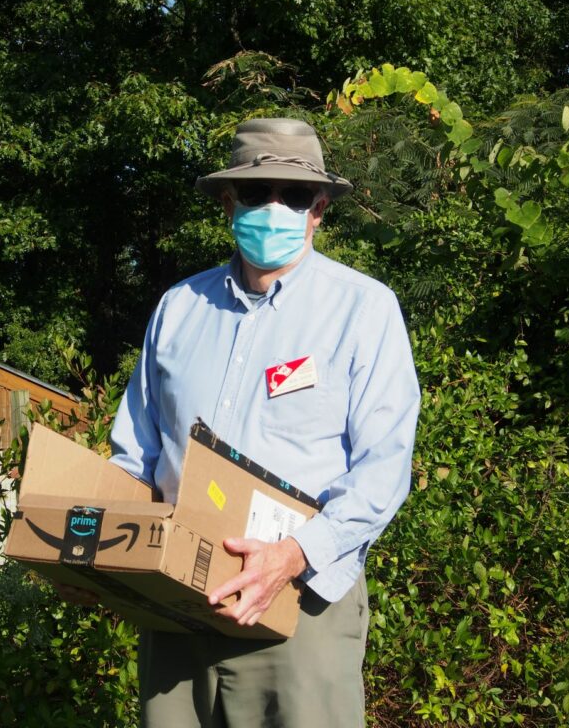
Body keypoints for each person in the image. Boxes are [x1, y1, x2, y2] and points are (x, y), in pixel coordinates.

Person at [63, 118, 420, 727]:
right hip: (177, 606)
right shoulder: (179, 308)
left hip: (299, 611)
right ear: (228, 203)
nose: (275, 207)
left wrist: (293, 556)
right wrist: (100, 547)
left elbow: (383, 470)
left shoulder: (363, 308)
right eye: (258, 193)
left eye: (296, 195)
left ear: (320, 210)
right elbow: (134, 453)